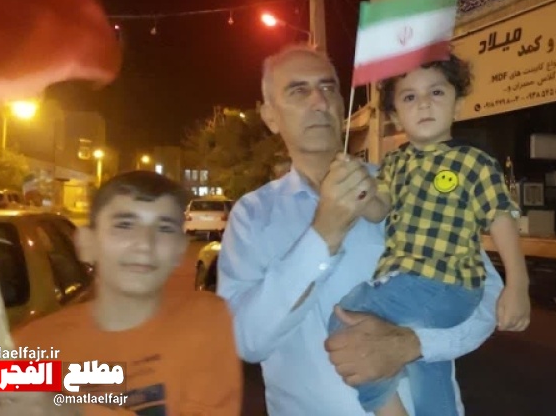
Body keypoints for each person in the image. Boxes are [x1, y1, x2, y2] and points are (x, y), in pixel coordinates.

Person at [217, 44, 526, 416]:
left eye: (328, 87)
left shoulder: (409, 182)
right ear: (270, 116)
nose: (319, 101)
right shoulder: (252, 217)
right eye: (298, 91)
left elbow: (487, 296)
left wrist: (413, 345)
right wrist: (324, 234)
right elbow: (246, 341)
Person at [328, 53, 530, 416]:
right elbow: (378, 211)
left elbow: (501, 216)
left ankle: (388, 411)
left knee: (344, 319)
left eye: (436, 92)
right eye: (409, 97)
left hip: (442, 283)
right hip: (419, 288)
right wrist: (359, 189)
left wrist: (518, 285)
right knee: (429, 369)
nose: (423, 103)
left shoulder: (473, 160)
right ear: (395, 116)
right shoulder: (395, 163)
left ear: (457, 103)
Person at [0, 171, 242, 416]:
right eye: (124, 225)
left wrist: (76, 412)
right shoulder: (24, 347)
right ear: (86, 244)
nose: (144, 244)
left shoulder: (205, 321)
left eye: (164, 228)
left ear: (179, 249)